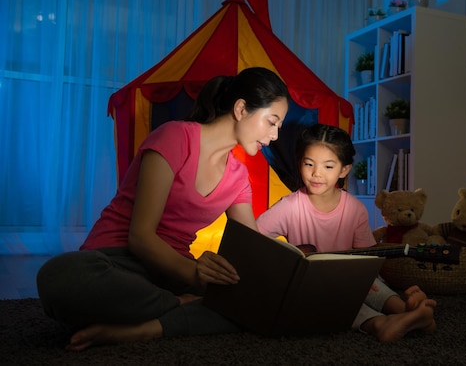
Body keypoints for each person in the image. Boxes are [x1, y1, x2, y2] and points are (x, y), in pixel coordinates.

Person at [36, 67, 290, 351]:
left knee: (255, 301)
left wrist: (287, 271)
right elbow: (140, 237)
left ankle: (143, 328)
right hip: (116, 261)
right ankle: (178, 308)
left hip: (172, 272)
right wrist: (193, 280)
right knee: (57, 276)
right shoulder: (175, 137)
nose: (275, 135)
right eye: (272, 121)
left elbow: (251, 250)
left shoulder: (238, 177)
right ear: (241, 109)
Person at [256, 123, 437, 342]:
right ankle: (380, 324)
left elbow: (368, 259)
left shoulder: (355, 209)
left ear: (344, 170)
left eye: (328, 167)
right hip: (312, 286)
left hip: (349, 277)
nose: (316, 173)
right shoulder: (288, 206)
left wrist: (363, 276)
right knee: (331, 297)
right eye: (309, 164)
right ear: (299, 163)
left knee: (370, 283)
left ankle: (405, 310)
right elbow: (253, 239)